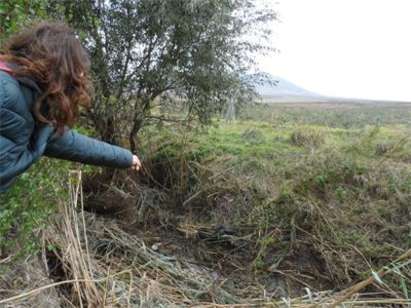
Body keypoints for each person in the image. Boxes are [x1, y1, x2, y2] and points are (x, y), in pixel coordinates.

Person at [0, 22, 141, 192]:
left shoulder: (35, 107)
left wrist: (126, 158)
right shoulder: (6, 91)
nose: (80, 78)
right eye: (77, 70)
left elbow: (73, 144)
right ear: (58, 66)